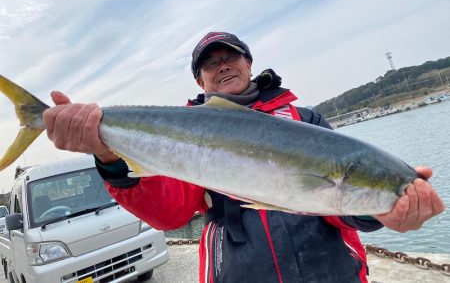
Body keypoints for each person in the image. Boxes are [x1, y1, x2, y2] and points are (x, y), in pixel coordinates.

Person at [44, 32, 445, 283]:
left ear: (248, 64)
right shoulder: (187, 131)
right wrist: (107, 155)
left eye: (230, 58)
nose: (222, 67)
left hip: (330, 271)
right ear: (200, 82)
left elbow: (339, 204)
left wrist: (382, 211)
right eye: (210, 64)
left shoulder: (306, 121)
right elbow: (169, 215)